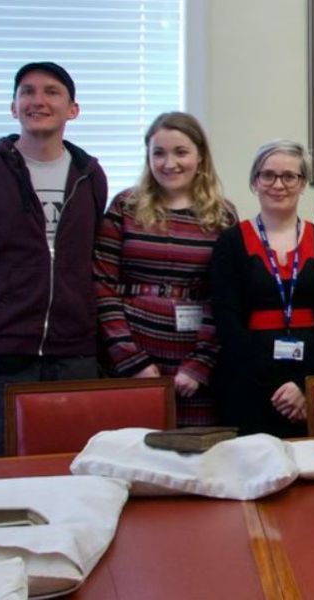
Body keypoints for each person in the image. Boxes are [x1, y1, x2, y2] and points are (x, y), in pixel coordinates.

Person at [0, 62, 108, 456]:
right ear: (13, 107)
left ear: (73, 109)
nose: (39, 100)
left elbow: (93, 259)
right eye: (28, 92)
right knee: (3, 478)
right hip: (0, 360)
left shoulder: (91, 177)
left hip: (75, 356)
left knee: (76, 475)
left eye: (52, 92)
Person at [94, 112, 237, 425]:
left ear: (200, 157)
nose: (169, 163)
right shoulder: (125, 207)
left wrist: (200, 364)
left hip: (196, 366)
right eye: (158, 153)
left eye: (180, 152)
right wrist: (131, 360)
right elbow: (101, 286)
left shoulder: (223, 216)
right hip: (131, 357)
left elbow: (225, 298)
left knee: (196, 462)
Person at [210, 140, 314, 437]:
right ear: (254, 182)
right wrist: (273, 386)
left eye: (289, 176)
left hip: (311, 380)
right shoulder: (230, 243)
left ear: (302, 184)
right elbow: (227, 323)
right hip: (248, 381)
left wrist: (303, 386)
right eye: (268, 175)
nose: (278, 184)